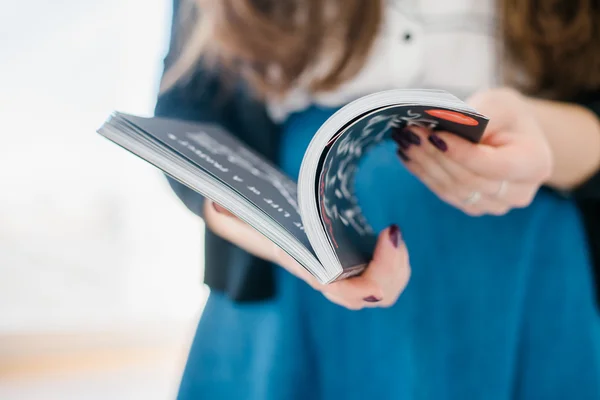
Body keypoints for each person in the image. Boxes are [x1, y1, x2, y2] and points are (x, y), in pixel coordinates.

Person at [155, 1, 600, 398]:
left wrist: (541, 134)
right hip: (288, 294)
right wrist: (285, 236)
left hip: (524, 281)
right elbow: (190, 115)